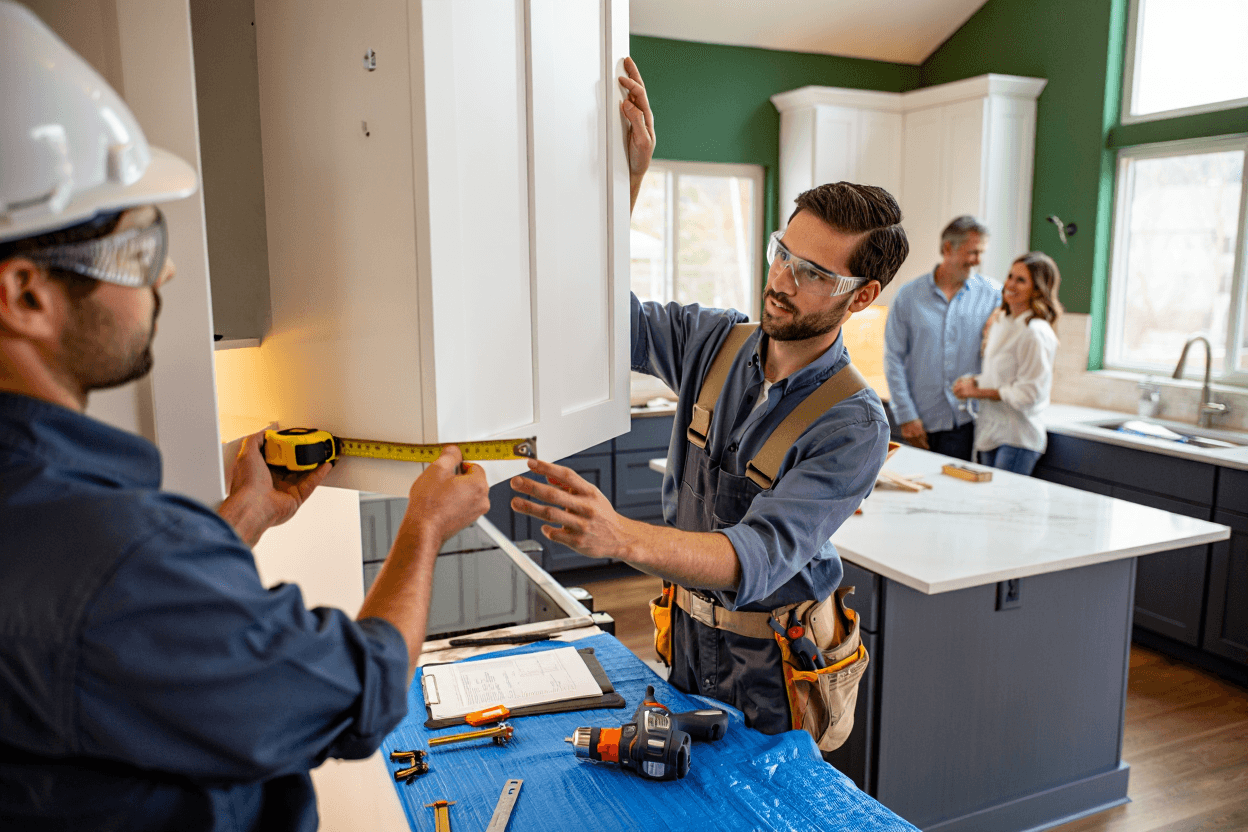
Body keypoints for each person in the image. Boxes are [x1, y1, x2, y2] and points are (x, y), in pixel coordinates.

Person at [0, 5, 488, 829]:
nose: (166, 274)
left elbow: (118, 641)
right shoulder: (119, 554)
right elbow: (362, 693)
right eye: (136, 250)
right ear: (27, 293)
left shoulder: (57, 522)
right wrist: (425, 531)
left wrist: (242, 516)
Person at [509, 61, 908, 736]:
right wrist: (624, 181)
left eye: (813, 274)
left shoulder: (854, 423)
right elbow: (589, 316)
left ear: (863, 296)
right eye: (783, 254)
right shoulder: (710, 340)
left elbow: (754, 554)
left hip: (779, 669)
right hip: (685, 644)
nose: (782, 279)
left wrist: (618, 534)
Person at [883, 215, 1000, 459]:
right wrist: (906, 416)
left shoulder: (993, 296)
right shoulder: (908, 297)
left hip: (969, 423)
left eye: (981, 253)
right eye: (973, 252)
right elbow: (893, 359)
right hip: (919, 421)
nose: (978, 261)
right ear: (948, 248)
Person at [952, 252, 1062, 475]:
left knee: (1000, 509)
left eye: (1021, 280)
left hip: (1017, 438)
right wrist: (973, 383)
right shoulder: (1003, 322)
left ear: (1038, 289)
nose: (1010, 284)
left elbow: (1029, 395)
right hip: (991, 434)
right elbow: (1000, 378)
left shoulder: (1035, 333)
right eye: (1010, 276)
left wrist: (979, 392)